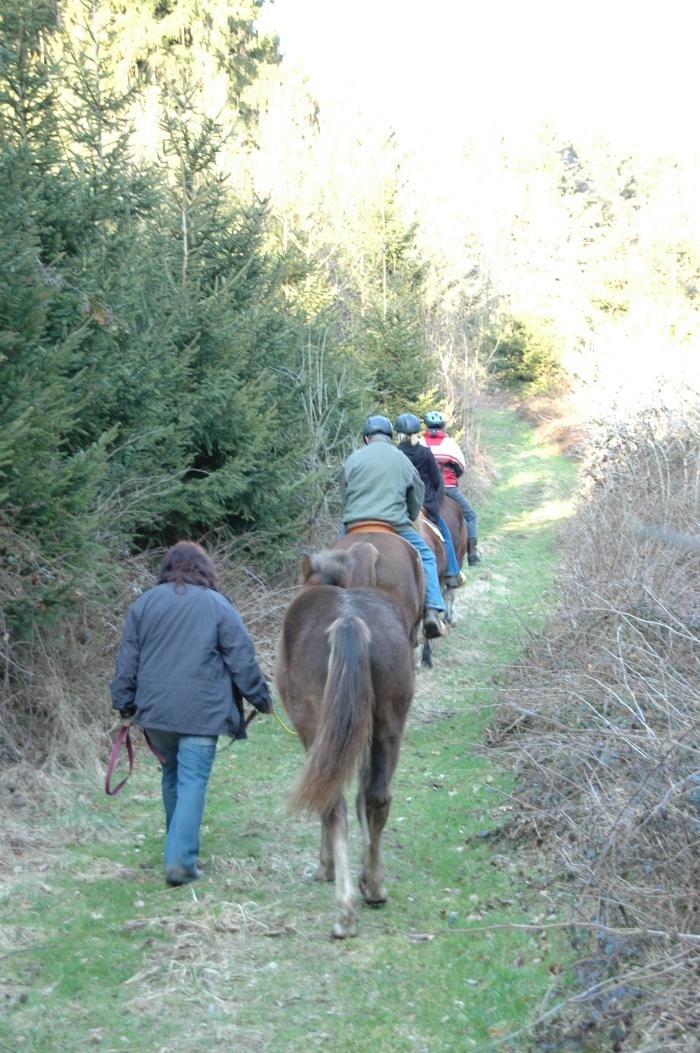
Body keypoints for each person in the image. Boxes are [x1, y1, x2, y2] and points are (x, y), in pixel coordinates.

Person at [110, 540, 273, 887]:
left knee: (172, 778)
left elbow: (127, 661)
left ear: (167, 569)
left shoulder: (144, 604)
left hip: (155, 713)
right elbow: (241, 658)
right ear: (205, 570)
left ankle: (177, 851)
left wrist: (125, 704)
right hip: (202, 711)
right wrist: (261, 698)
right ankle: (181, 862)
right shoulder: (218, 606)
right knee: (191, 781)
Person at [340, 415, 447, 639]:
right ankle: (431, 610)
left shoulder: (353, 458)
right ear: (390, 437)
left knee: (327, 559)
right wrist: (407, 515)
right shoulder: (401, 459)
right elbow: (416, 495)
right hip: (394, 526)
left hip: (354, 526)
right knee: (426, 555)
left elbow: (344, 492)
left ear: (366, 438)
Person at [394, 412, 466, 588]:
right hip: (425, 506)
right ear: (416, 432)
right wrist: (433, 499)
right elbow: (436, 480)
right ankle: (452, 572)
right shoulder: (425, 453)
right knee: (445, 535)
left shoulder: (396, 453)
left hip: (401, 508)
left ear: (399, 434)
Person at [421, 411, 481, 566]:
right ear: (442, 426)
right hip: (448, 487)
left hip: (425, 490)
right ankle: (473, 553)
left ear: (427, 426)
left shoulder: (421, 442)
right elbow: (460, 467)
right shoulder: (450, 443)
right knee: (471, 515)